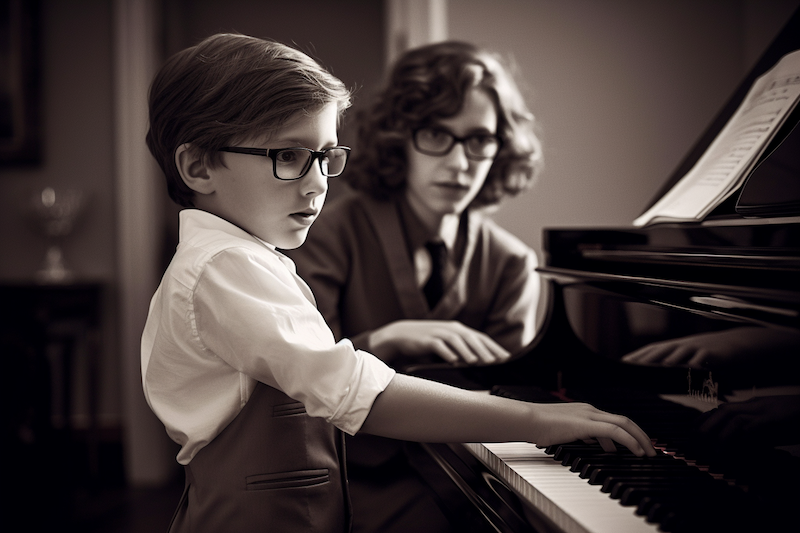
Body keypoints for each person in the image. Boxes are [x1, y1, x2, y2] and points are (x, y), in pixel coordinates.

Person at [141, 33, 655, 533]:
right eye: (289, 156)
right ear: (198, 165)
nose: (320, 181)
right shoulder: (228, 266)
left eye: (325, 156)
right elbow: (345, 387)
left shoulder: (244, 257)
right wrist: (539, 420)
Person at [285, 41, 543, 531]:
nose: (460, 162)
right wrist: (384, 340)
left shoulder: (513, 263)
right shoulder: (330, 236)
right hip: (349, 477)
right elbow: (299, 387)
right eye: (435, 134)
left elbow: (512, 397)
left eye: (479, 139)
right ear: (398, 137)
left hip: (475, 474)